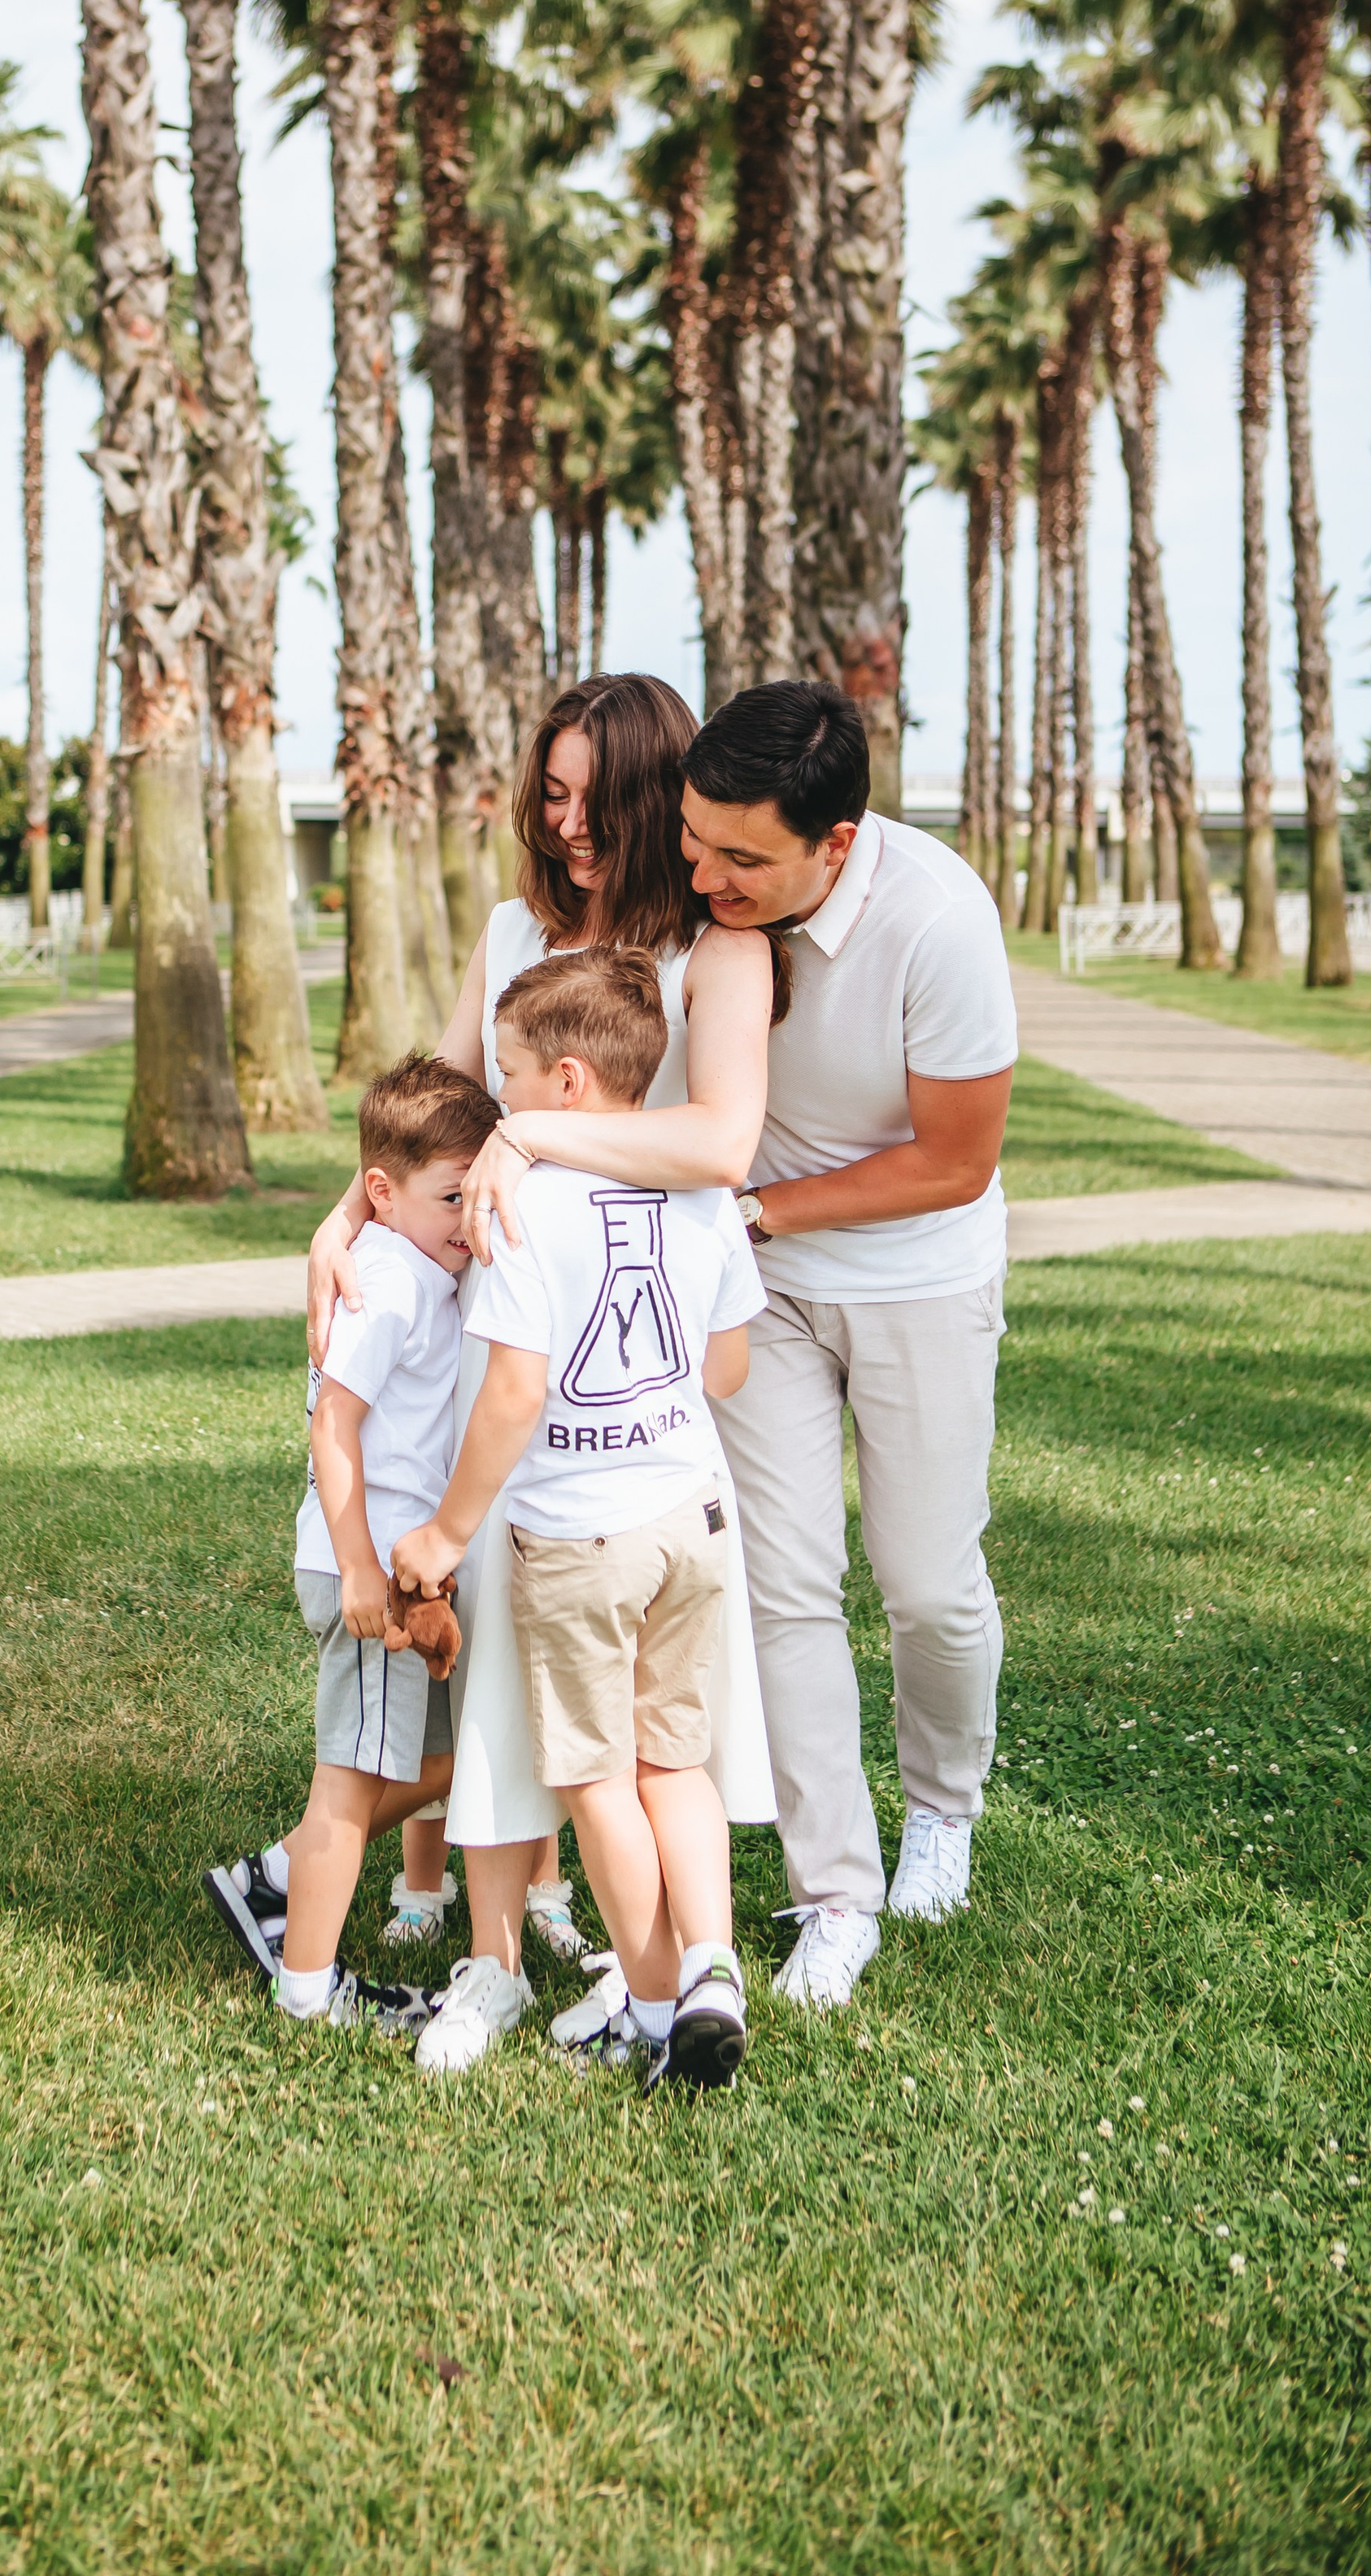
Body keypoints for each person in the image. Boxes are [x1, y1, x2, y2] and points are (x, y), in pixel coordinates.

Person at [467, 678, 1016, 2015]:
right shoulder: (717, 922)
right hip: (746, 1295)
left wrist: (750, 1207)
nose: (704, 872)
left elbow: (953, 1161)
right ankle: (838, 1891)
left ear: (835, 843)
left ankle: (942, 1802)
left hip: (910, 1269)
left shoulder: (937, 923)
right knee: (784, 1587)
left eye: (740, 856)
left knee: (930, 1586)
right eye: (697, 840)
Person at [306, 673, 780, 2067]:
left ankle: (665, 1970)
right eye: (550, 793)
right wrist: (348, 1217)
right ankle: (501, 1958)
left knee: (626, 1735)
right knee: (510, 1690)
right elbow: (444, 1108)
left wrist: (540, 1143)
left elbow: (715, 1145)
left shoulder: (716, 953)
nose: (569, 825)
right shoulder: (518, 934)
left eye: (597, 799)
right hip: (517, 1375)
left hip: (622, 1419)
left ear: (656, 798)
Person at [394, 948, 764, 2088]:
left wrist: (447, 1535)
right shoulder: (699, 1191)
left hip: (575, 1541)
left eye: (504, 1074)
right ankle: (713, 1963)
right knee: (678, 1769)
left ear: (562, 1082)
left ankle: (657, 2013)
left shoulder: (519, 1198)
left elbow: (513, 1394)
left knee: (599, 1784)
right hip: (693, 1522)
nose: (495, 1097)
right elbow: (729, 1368)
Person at [204, 1053, 500, 2025]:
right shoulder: (389, 1282)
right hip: (360, 1566)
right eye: (451, 1195)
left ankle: (275, 1876)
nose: (470, 1217)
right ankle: (308, 1988)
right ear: (381, 1191)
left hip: (398, 1567)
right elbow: (333, 1426)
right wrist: (366, 1569)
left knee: (449, 1755)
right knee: (354, 1777)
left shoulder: (426, 1266)